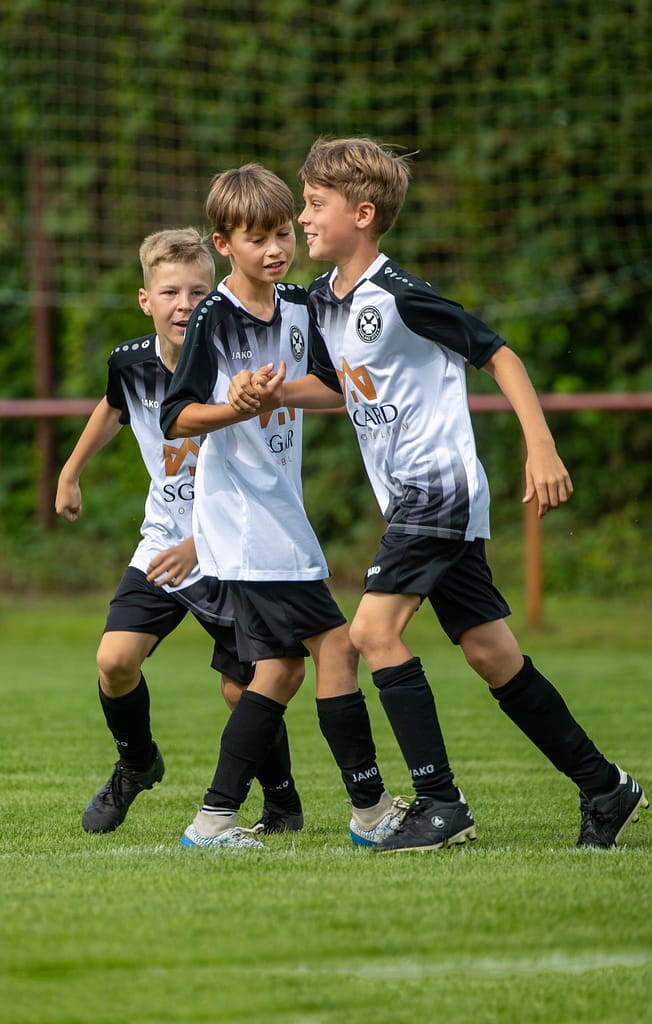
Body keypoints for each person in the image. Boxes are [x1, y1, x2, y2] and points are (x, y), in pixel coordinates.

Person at [229, 137, 648, 853]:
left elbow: (499, 354)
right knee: (489, 652)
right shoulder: (324, 302)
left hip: (438, 488)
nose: (303, 218)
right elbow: (335, 388)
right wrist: (269, 394)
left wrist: (540, 444)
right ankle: (604, 786)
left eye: (316, 204)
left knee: (371, 632)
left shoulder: (400, 295)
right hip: (412, 499)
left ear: (363, 214)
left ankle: (440, 802)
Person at [160, 164, 407, 851]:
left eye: (281, 234)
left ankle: (214, 819)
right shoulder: (212, 317)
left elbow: (333, 390)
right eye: (256, 239)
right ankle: (369, 810)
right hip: (243, 519)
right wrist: (232, 405)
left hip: (280, 511)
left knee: (280, 670)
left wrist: (275, 394)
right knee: (335, 645)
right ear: (223, 244)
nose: (274, 250)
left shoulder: (300, 305)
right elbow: (176, 417)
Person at [55, 227, 302, 840]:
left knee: (242, 688)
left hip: (231, 546)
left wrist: (204, 541)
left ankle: (282, 801)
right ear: (146, 300)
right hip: (164, 541)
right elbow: (113, 405)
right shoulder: (131, 363)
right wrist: (71, 472)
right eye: (170, 292)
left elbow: (258, 467)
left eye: (197, 291)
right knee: (114, 660)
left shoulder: (233, 368)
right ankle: (137, 763)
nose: (185, 304)